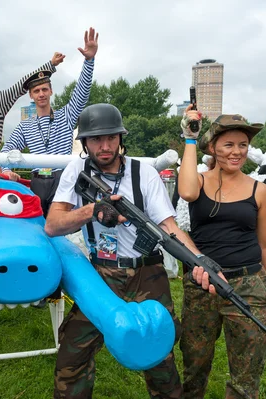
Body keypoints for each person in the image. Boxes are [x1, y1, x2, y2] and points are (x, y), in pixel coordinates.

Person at [45, 103, 219, 399]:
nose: (104, 146)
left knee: (159, 356)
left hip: (147, 273)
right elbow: (52, 225)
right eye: (96, 139)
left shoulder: (144, 174)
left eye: (111, 138)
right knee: (73, 355)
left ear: (120, 138)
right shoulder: (77, 170)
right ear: (85, 142)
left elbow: (169, 227)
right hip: (100, 275)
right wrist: (92, 211)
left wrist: (199, 260)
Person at [178, 107, 266, 399]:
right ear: (212, 147)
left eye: (243, 145)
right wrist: (188, 138)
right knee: (194, 364)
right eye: (228, 144)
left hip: (248, 286)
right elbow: (185, 192)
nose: (237, 152)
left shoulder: (259, 191)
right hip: (202, 284)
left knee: (247, 372)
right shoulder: (198, 181)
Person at [1, 27, 98, 218]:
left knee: (61, 226)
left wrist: (89, 61)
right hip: (38, 181)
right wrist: (6, 170)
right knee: (38, 226)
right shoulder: (25, 125)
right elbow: (8, 150)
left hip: (62, 179)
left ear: (51, 91)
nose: (41, 94)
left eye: (45, 89)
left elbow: (82, 92)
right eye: (36, 91)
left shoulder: (66, 116)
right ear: (31, 95)